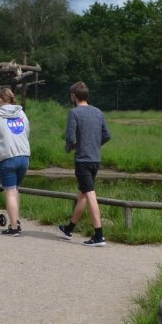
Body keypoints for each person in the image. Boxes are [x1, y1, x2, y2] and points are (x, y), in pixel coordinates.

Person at [58, 81, 112, 246]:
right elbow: (107, 135)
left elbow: (69, 137)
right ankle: (69, 229)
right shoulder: (98, 112)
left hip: (82, 160)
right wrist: (95, 144)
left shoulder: (74, 113)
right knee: (82, 193)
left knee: (90, 195)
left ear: (74, 96)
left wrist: (71, 147)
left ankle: (99, 235)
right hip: (96, 159)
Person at [0, 86, 31, 236]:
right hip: (24, 156)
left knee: (9, 192)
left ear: (0, 99)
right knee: (15, 189)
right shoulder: (21, 112)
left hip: (7, 157)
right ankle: (17, 220)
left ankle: (14, 227)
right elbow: (27, 130)